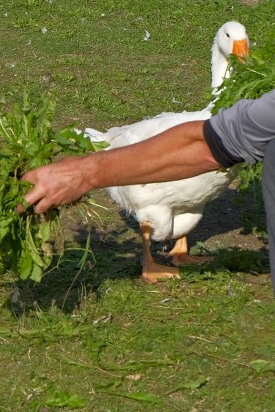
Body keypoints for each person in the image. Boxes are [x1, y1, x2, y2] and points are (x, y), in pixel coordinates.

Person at [21, 90, 275, 293]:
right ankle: (150, 262)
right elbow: (211, 144)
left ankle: (177, 252)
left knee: (176, 220)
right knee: (161, 223)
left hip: (202, 156)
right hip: (143, 173)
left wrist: (84, 173)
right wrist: (87, 171)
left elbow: (212, 145)